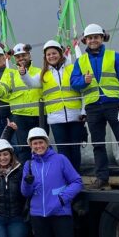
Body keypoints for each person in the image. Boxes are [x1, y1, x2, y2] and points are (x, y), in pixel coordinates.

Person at [70, 24, 119, 191]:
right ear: (85, 41)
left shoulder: (114, 56)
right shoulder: (80, 61)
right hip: (93, 107)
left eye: (96, 37)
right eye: (90, 37)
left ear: (102, 38)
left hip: (114, 105)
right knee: (98, 144)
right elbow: (74, 83)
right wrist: (83, 81)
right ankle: (102, 179)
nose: (93, 40)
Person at [20, 40, 85, 173]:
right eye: (48, 54)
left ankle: (76, 175)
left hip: (75, 116)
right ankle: (66, 176)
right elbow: (31, 83)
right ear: (45, 57)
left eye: (54, 53)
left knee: (75, 148)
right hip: (56, 118)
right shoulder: (44, 73)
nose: (51, 56)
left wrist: (84, 111)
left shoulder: (72, 68)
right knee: (62, 150)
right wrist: (23, 73)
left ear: (60, 54)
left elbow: (83, 92)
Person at [6, 43, 42, 163]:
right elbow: (2, 92)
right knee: (24, 149)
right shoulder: (11, 74)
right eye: (18, 56)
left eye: (23, 55)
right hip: (20, 116)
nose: (21, 58)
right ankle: (27, 175)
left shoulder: (40, 71)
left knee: (41, 147)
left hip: (39, 115)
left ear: (29, 56)